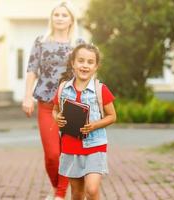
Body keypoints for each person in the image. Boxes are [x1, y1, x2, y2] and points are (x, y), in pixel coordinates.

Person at [22, 1, 80, 199]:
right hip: (46, 105)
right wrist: (27, 96)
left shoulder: (78, 44)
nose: (60, 18)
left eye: (64, 15)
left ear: (71, 19)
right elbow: (31, 70)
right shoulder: (41, 41)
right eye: (57, 14)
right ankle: (58, 188)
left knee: (68, 152)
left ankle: (60, 194)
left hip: (71, 105)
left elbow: (86, 72)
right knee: (52, 155)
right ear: (52, 18)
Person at [52, 43, 117, 200]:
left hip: (95, 146)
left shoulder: (101, 90)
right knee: (76, 193)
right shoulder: (63, 88)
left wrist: (94, 125)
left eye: (90, 62)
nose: (85, 65)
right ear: (73, 63)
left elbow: (112, 116)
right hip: (70, 146)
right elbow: (55, 110)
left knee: (92, 190)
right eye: (81, 61)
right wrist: (57, 118)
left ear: (95, 67)